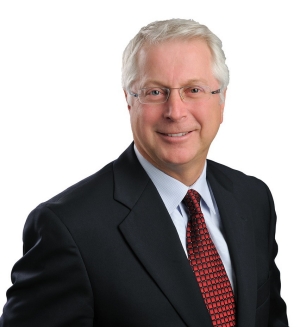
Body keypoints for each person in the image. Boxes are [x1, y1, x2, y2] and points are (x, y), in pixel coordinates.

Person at [0, 18, 288, 327]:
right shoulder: (69, 228)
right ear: (128, 100)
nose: (175, 111)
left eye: (194, 89)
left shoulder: (253, 198)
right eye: (154, 92)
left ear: (222, 100)